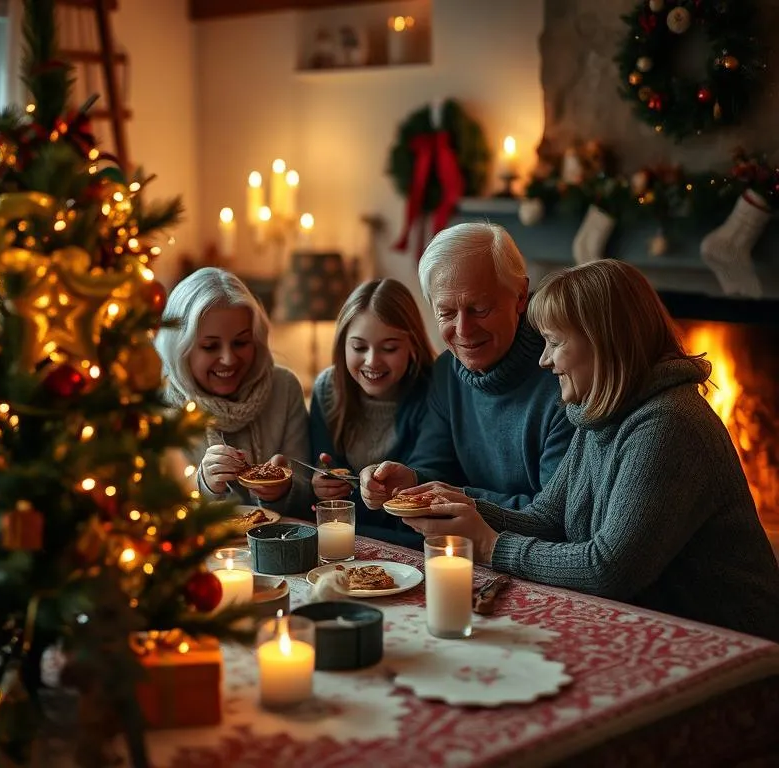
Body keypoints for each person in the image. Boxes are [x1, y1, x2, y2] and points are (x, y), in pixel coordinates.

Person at [400, 259, 779, 641]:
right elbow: (548, 519)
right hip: (653, 626)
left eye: (555, 342)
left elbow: (608, 569)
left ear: (604, 340)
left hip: (731, 643)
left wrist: (489, 546)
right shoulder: (600, 412)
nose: (543, 359)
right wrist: (462, 507)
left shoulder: (668, 424)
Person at [359, 222, 574, 512]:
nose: (463, 330)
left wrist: (459, 500)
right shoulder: (447, 371)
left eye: (480, 309)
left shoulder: (565, 376)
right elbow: (434, 464)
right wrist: (409, 480)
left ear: (521, 296)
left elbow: (555, 513)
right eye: (446, 313)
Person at [155, 267, 309, 511]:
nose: (228, 359)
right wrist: (204, 485)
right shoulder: (160, 403)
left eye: (240, 342)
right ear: (180, 349)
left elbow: (308, 494)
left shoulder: (283, 388)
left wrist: (284, 490)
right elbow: (157, 510)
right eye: (210, 346)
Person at [308, 278, 434, 545]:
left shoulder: (433, 391)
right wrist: (320, 485)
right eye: (359, 347)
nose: (372, 361)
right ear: (343, 345)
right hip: (341, 542)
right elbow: (322, 471)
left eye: (389, 348)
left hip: (412, 545)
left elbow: (427, 485)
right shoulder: (327, 390)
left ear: (413, 345)